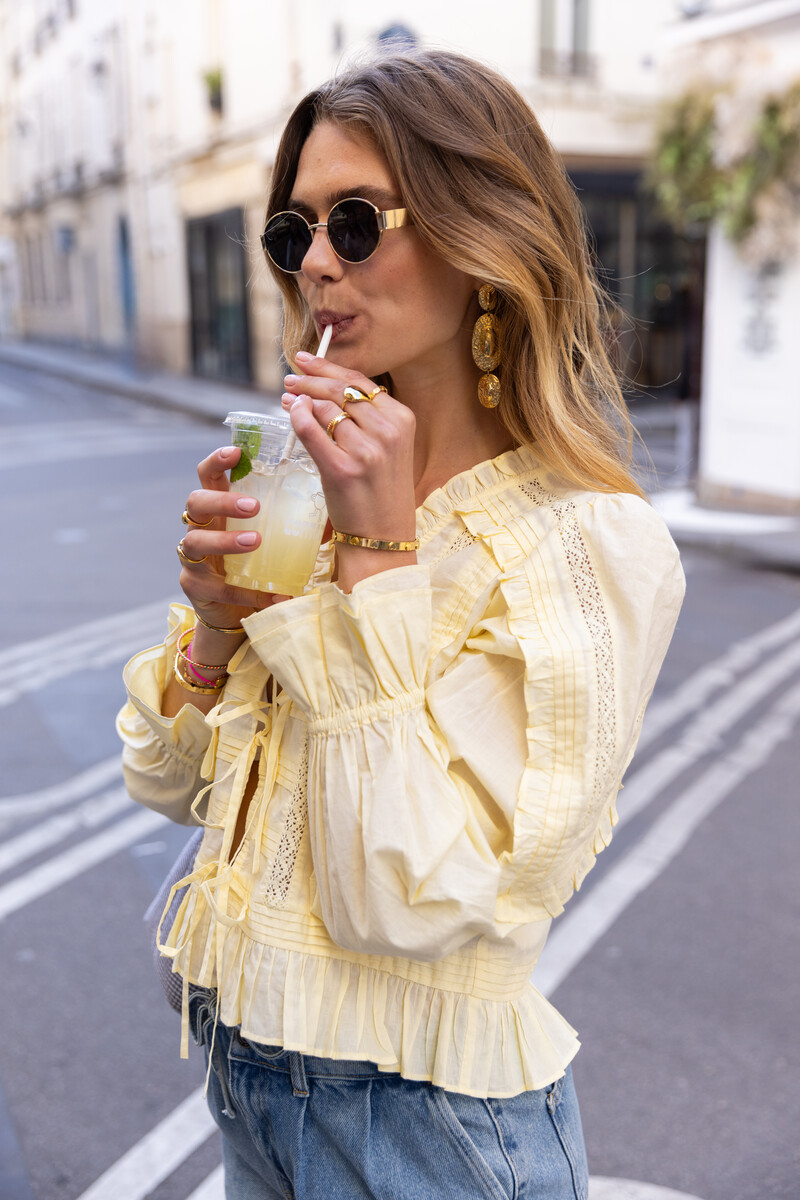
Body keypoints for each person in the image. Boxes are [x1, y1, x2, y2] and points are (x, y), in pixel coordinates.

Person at [117, 47, 685, 1200]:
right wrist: (219, 628)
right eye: (293, 232)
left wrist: (378, 559)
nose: (316, 261)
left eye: (357, 223)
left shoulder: (581, 548)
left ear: (484, 241)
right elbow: (172, 785)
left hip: (424, 1132)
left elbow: (407, 899)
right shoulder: (300, 499)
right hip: (247, 1087)